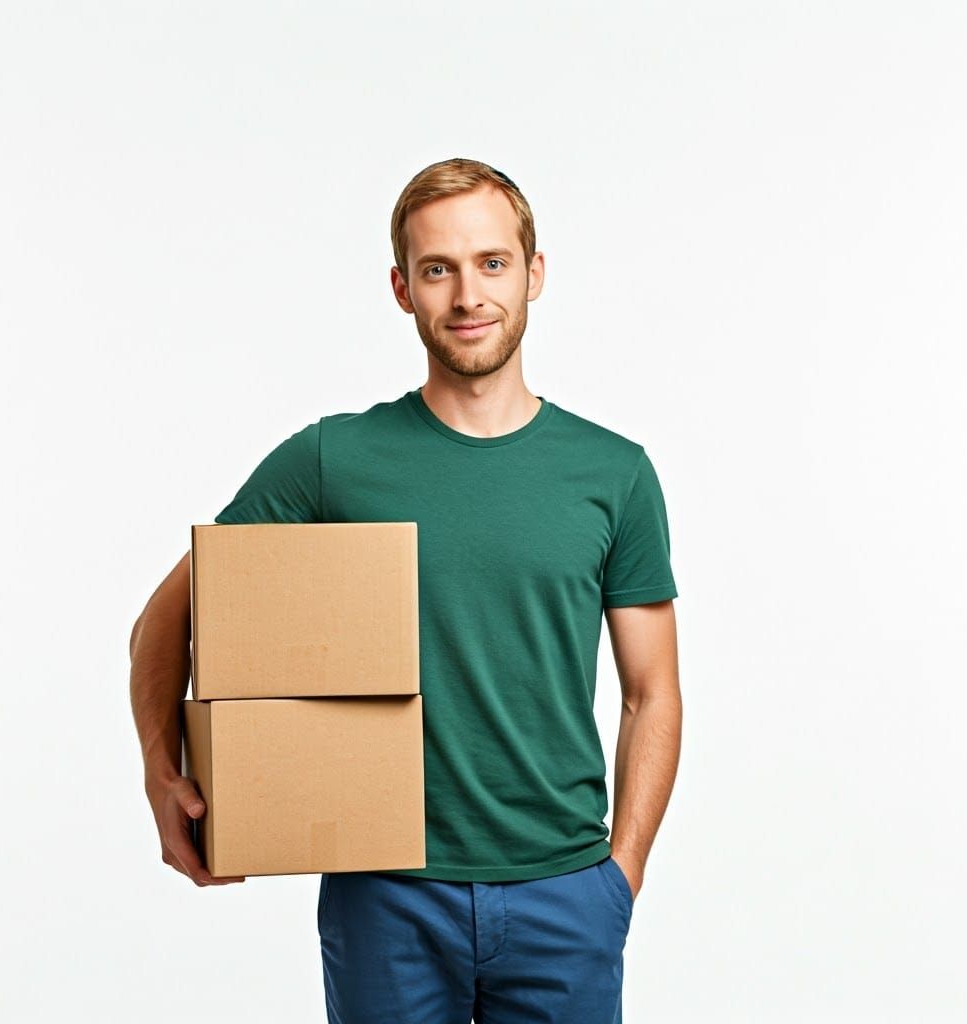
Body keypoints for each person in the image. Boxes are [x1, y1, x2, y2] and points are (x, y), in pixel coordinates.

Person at [129, 156, 683, 1024]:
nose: (468, 295)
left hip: (566, 890)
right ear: (402, 288)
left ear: (535, 274)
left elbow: (652, 693)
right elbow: (166, 617)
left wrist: (624, 874)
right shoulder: (333, 460)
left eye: (492, 263)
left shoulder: (614, 475)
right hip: (384, 890)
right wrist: (163, 773)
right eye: (439, 269)